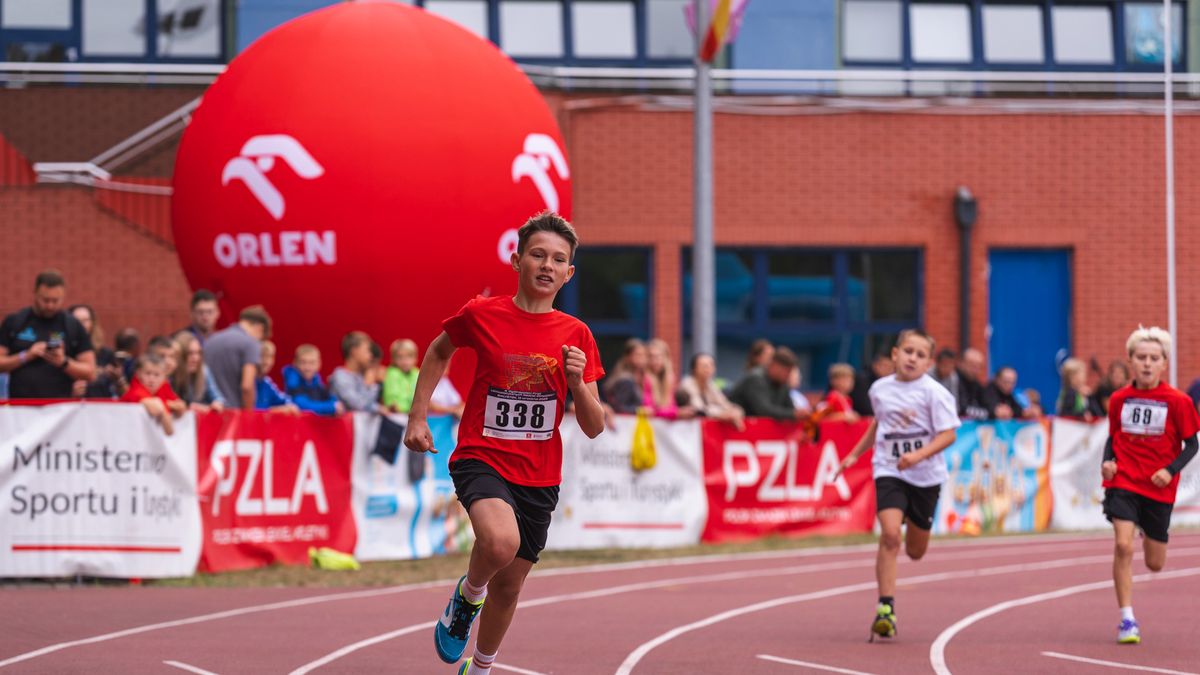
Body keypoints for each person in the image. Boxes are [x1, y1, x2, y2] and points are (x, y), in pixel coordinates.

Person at [404, 212, 605, 675]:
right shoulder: (483, 313)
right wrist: (418, 416)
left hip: (538, 474)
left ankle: (480, 669)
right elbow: (439, 350)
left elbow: (595, 426)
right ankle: (465, 599)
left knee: (510, 587)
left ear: (569, 273)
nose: (547, 265)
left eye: (558, 259)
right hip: (482, 456)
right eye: (537, 255)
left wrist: (577, 384)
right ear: (517, 260)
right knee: (498, 543)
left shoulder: (577, 336)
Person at [836, 329, 960, 641]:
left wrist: (918, 455)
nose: (912, 359)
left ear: (928, 362)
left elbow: (948, 435)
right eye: (908, 351)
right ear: (894, 354)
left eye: (920, 355)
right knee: (890, 535)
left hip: (925, 476)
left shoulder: (934, 393)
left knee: (916, 551)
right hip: (889, 468)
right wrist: (854, 455)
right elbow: (879, 424)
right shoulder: (880, 389)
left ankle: (911, 524)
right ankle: (885, 608)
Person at [1101, 326, 1198, 645]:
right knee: (1122, 546)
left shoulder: (1178, 401)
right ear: (1130, 360)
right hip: (1124, 481)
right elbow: (1112, 437)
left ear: (1164, 363)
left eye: (1153, 358)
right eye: (1140, 357)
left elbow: (1192, 445)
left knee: (1155, 563)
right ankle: (1127, 619)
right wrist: (1108, 461)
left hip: (1158, 487)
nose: (1146, 363)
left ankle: (1146, 528)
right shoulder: (1119, 399)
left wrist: (1170, 471)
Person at [0, 270, 96, 399]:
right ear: (35, 294)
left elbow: (90, 372)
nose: (50, 305)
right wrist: (26, 356)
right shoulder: (16, 322)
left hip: (60, 410)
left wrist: (63, 362)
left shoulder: (72, 325)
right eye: (45, 300)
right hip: (21, 409)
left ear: (63, 296)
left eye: (55, 300)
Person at [204, 305, 271, 410]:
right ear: (260, 328)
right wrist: (249, 416)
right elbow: (247, 386)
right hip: (232, 415)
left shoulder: (211, 340)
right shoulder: (251, 343)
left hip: (208, 412)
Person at [728, 347, 807, 421]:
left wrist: (799, 414)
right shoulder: (755, 379)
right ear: (775, 365)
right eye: (786, 371)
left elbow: (789, 408)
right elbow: (763, 410)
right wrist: (793, 414)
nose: (788, 376)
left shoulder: (782, 384)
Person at [121, 353, 186, 435]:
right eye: (147, 374)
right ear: (138, 374)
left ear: (164, 377)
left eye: (157, 375)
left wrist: (166, 404)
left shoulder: (163, 386)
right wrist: (166, 408)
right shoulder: (136, 389)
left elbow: (180, 406)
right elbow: (156, 408)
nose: (152, 379)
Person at [679, 352, 745, 429]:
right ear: (694, 369)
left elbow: (724, 404)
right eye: (704, 366)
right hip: (689, 430)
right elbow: (699, 410)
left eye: (711, 365)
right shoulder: (687, 384)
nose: (708, 369)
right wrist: (721, 414)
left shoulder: (711, 384)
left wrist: (736, 411)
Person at [330, 331, 385, 413]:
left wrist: (382, 383)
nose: (371, 355)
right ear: (354, 351)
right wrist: (369, 385)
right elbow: (358, 405)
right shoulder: (340, 376)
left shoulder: (364, 374)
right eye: (367, 350)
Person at [70, 304, 118, 399]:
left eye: (85, 320)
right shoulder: (63, 354)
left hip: (100, 407)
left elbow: (117, 389)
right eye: (77, 321)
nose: (81, 325)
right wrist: (70, 393)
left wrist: (118, 377)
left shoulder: (106, 354)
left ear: (92, 323)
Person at [171, 332, 225, 412]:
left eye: (198, 353)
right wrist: (189, 406)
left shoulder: (204, 371)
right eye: (190, 353)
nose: (196, 359)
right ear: (180, 355)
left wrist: (217, 404)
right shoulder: (171, 373)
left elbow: (218, 398)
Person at [283, 344, 343, 416]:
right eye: (303, 362)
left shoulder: (316, 381)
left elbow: (331, 399)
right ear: (295, 363)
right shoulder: (292, 381)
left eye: (312, 363)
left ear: (319, 364)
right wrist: (331, 407)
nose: (307, 367)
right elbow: (301, 406)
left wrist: (336, 405)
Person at [644, 338, 694, 419]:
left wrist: (680, 412)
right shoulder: (645, 378)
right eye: (650, 357)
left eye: (658, 357)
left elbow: (671, 406)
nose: (654, 361)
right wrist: (676, 413)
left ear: (666, 358)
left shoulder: (669, 378)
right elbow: (650, 410)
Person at [604, 338, 648, 414]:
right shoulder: (625, 380)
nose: (642, 358)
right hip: (624, 423)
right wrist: (640, 410)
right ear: (628, 357)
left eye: (644, 355)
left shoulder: (644, 376)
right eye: (638, 355)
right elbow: (618, 407)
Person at [254, 340, 299, 414]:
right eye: (262, 356)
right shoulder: (246, 382)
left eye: (270, 357)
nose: (266, 362)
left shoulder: (266, 382)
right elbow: (250, 411)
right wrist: (274, 411)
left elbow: (284, 400)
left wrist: (290, 406)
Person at [850, 350, 895, 416]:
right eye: (885, 366)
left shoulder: (891, 384)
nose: (888, 370)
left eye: (891, 368)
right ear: (875, 365)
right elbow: (863, 406)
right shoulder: (861, 380)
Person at [383, 338, 420, 413]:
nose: (405, 361)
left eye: (409, 356)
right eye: (400, 357)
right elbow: (391, 396)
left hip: (413, 414)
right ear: (393, 359)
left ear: (416, 358)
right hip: (396, 414)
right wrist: (394, 406)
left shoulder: (417, 373)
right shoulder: (392, 373)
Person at [956, 347, 990, 420]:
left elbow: (988, 406)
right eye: (972, 365)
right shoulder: (953, 380)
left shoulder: (976, 384)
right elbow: (961, 408)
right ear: (961, 363)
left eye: (979, 366)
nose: (975, 369)